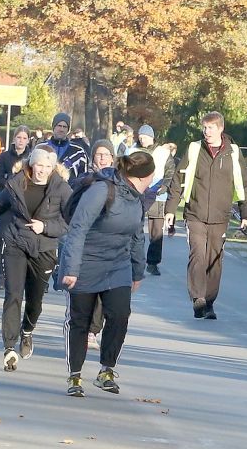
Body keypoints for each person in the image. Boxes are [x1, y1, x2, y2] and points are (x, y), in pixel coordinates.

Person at [0, 148, 72, 371]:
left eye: (47, 167)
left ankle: (27, 330)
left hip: (44, 248)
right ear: (31, 164)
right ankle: (9, 346)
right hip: (15, 243)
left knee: (35, 300)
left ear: (53, 168)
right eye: (39, 165)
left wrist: (46, 227)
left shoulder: (62, 188)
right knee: (13, 294)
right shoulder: (16, 183)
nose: (42, 170)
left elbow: (70, 221)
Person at [59, 151, 154, 397]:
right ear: (144, 177)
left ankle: (106, 370)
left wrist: (137, 271)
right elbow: (77, 228)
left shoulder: (137, 199)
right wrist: (70, 268)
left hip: (117, 265)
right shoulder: (102, 190)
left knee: (120, 314)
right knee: (80, 321)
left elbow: (136, 236)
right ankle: (75, 376)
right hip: (86, 263)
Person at [165, 111, 247, 320]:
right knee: (198, 255)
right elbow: (178, 179)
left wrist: (245, 214)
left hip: (220, 216)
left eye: (211, 127)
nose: (206, 132)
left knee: (215, 260)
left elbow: (243, 184)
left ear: (220, 128)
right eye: (204, 128)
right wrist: (170, 210)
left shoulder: (232, 152)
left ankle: (210, 302)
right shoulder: (195, 149)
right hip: (195, 213)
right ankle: (198, 298)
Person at [76, 139, 116, 349]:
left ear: (112, 158)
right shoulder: (84, 180)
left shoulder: (119, 182)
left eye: (105, 154)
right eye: (98, 154)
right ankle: (80, 326)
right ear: (92, 158)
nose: (102, 158)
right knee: (85, 290)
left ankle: (93, 330)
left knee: (103, 290)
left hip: (109, 243)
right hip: (86, 241)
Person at [0, 125, 33, 290]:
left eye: (24, 138)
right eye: (18, 137)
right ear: (14, 139)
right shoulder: (4, 157)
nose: (21, 141)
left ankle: (20, 275)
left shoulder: (31, 157)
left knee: (22, 238)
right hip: (6, 200)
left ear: (28, 140)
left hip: (25, 202)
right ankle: (2, 275)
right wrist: (11, 181)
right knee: (2, 238)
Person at [131, 124, 175, 276]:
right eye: (140, 137)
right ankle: (135, 261)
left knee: (156, 232)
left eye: (145, 137)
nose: (142, 139)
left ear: (151, 136)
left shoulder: (162, 152)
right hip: (137, 194)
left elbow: (170, 170)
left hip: (157, 195)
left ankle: (153, 262)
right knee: (135, 230)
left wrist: (164, 186)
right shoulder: (132, 151)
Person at [45, 112, 88, 179]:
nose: (61, 129)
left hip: (70, 188)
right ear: (53, 127)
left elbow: (83, 177)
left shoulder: (78, 152)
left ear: (68, 129)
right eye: (59, 126)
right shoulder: (42, 147)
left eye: (64, 127)